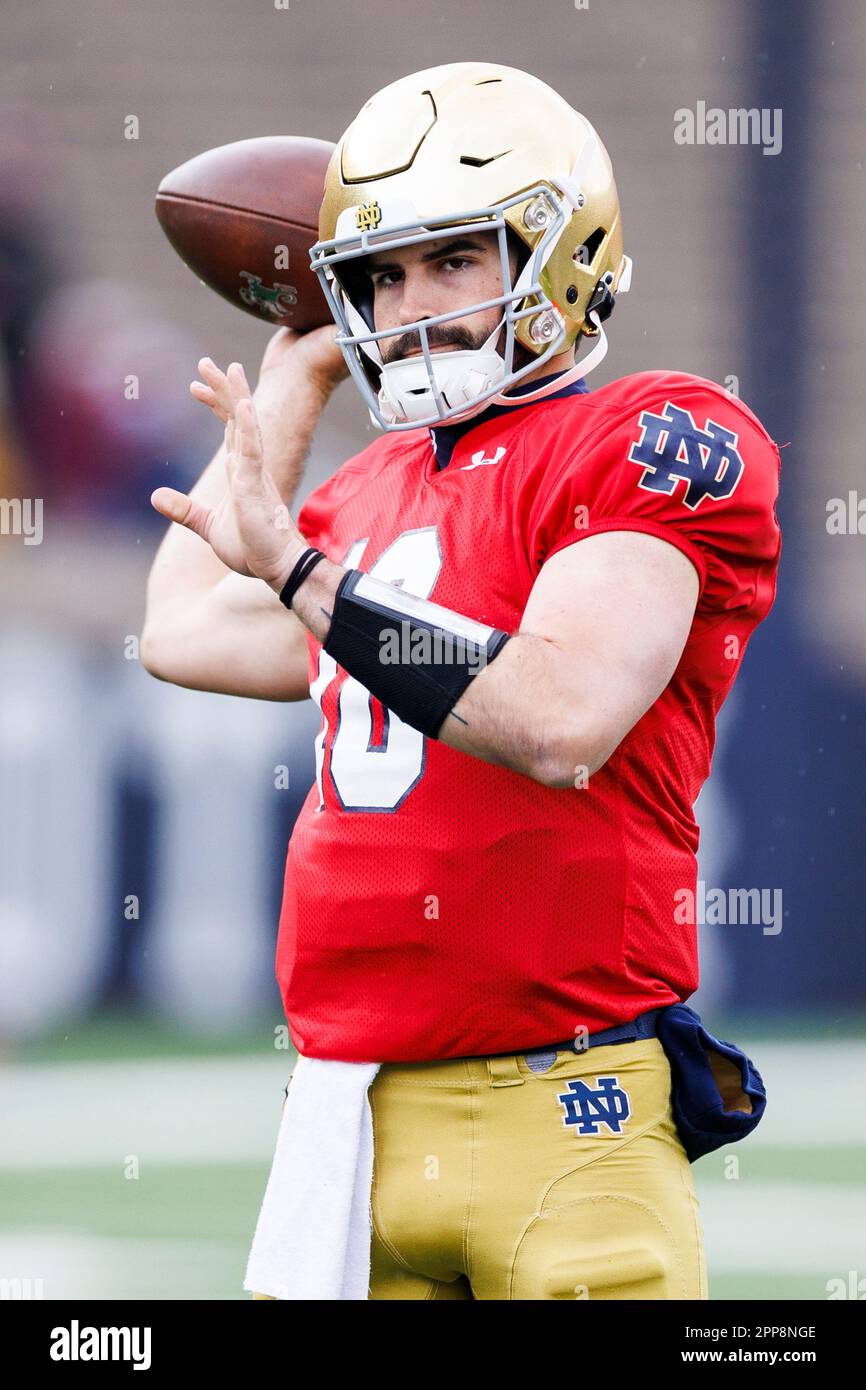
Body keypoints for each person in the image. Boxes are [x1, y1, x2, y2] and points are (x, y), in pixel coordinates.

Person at [141, 62, 781, 1300]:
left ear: (558, 255)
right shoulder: (372, 489)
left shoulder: (649, 433)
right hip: (348, 1119)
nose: (409, 305)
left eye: (451, 262)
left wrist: (300, 574)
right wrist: (295, 377)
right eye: (380, 275)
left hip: (565, 1106)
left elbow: (557, 718)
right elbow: (177, 631)